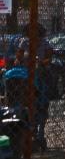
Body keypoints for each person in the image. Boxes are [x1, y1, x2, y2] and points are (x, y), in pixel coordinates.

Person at [12, 22, 53, 151]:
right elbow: (18, 57)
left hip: (40, 74)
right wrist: (19, 60)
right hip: (25, 76)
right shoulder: (24, 43)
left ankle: (39, 133)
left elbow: (49, 59)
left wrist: (40, 62)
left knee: (42, 102)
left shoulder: (45, 44)